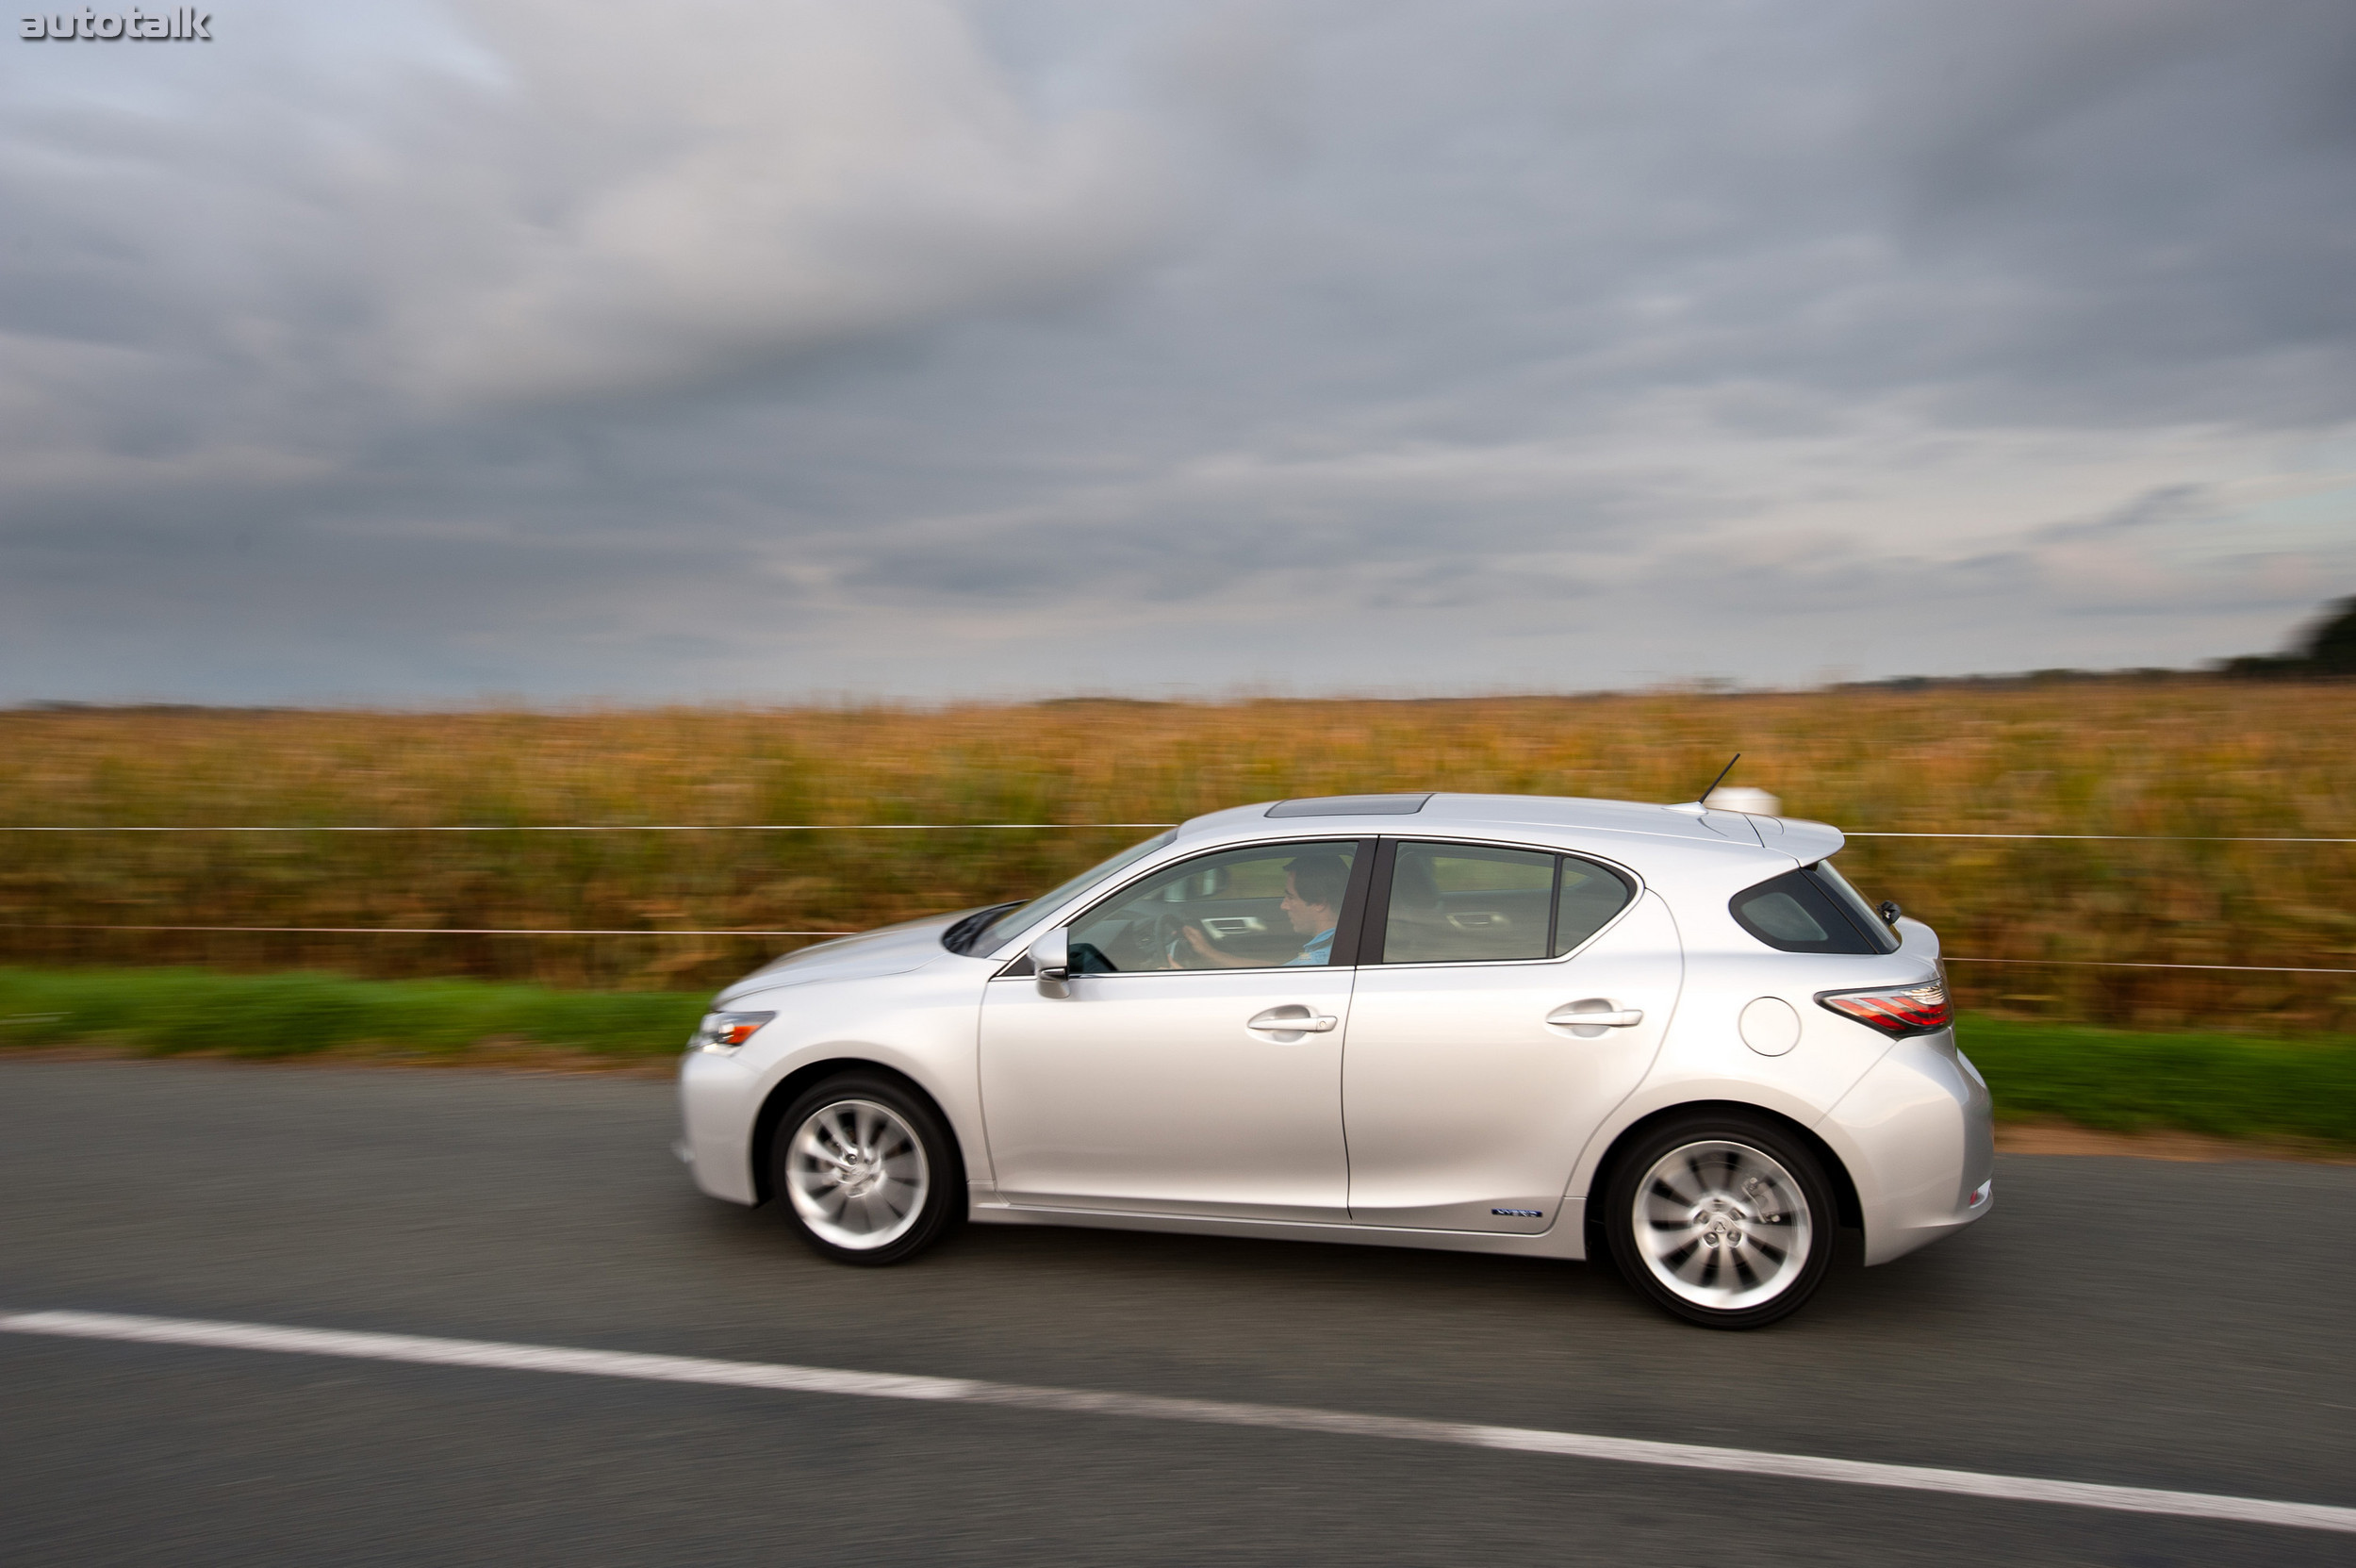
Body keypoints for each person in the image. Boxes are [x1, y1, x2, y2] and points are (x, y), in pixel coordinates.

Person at [1179, 854, 1349, 967]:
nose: (1283, 906)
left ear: (1319, 902)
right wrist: (1210, 953)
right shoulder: (1334, 947)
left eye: (1290, 897)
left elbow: (1273, 980)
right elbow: (1278, 970)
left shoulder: (1320, 960)